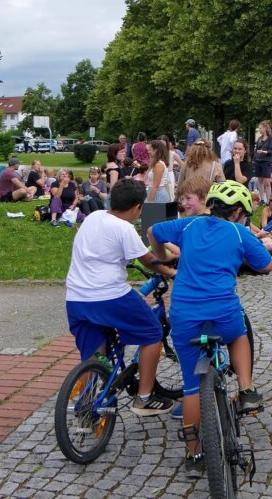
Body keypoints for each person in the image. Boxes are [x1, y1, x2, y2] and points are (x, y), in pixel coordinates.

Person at [148, 181, 272, 476]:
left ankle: (193, 455)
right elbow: (266, 265)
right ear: (238, 211)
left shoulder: (189, 226)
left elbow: (154, 231)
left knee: (192, 386)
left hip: (185, 314)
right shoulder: (239, 232)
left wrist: (163, 257)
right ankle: (246, 388)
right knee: (238, 334)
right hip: (222, 312)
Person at [64, 179, 177, 417]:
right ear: (137, 207)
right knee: (152, 332)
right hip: (109, 296)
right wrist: (174, 272)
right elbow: (149, 261)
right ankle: (144, 398)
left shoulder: (94, 217)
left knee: (94, 354)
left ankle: (87, 402)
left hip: (75, 297)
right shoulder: (124, 228)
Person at [253, 120, 272, 202]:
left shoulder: (271, 138)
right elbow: (256, 150)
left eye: (260, 128)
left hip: (266, 161)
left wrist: (264, 151)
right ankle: (262, 199)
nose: (259, 130)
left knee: (267, 182)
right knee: (260, 181)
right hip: (258, 161)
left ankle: (269, 200)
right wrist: (254, 158)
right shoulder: (259, 138)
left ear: (265, 128)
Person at [145, 139, 173, 204]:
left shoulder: (159, 165)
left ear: (155, 150)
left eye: (149, 149)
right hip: (155, 193)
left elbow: (155, 186)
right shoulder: (156, 163)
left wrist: (149, 202)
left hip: (157, 194)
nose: (148, 152)